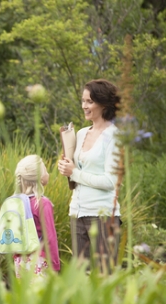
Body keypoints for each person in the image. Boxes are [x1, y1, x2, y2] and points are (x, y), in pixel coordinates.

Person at [58, 79, 121, 269]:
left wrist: (75, 173)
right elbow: (78, 170)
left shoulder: (114, 136)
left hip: (103, 216)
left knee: (105, 276)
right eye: (83, 101)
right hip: (77, 212)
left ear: (104, 104)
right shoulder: (81, 133)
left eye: (90, 102)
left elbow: (110, 181)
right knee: (81, 278)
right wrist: (66, 167)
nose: (84, 106)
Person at [13, 155, 60, 277]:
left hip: (19, 260)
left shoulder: (15, 202)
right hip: (39, 260)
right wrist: (55, 265)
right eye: (45, 170)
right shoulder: (43, 203)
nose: (47, 173)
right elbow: (50, 237)